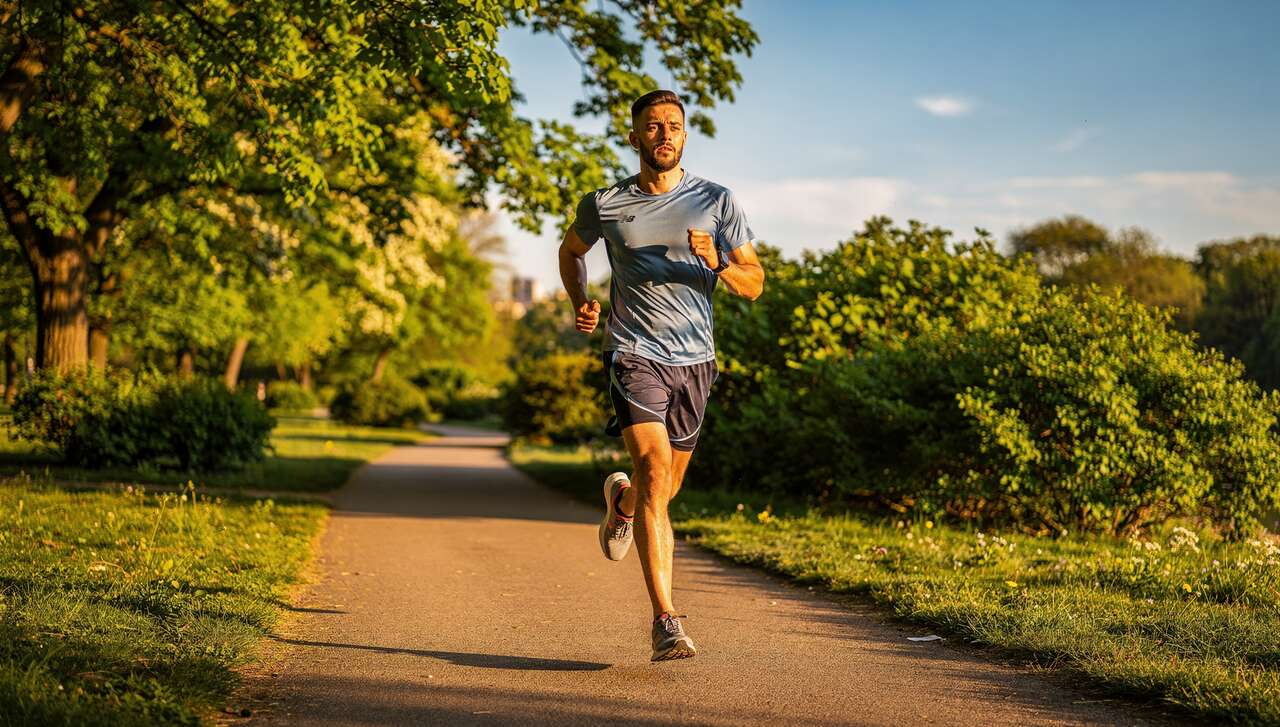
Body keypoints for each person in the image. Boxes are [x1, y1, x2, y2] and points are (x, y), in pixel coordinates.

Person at [557, 89, 765, 661]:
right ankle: (666, 620)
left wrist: (718, 261)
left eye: (673, 125)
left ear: (685, 135)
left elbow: (754, 281)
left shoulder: (716, 202)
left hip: (696, 361)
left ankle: (619, 504)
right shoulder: (605, 203)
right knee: (653, 469)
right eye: (652, 126)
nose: (664, 135)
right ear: (634, 136)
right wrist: (582, 299)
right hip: (633, 354)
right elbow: (570, 251)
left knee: (663, 491)